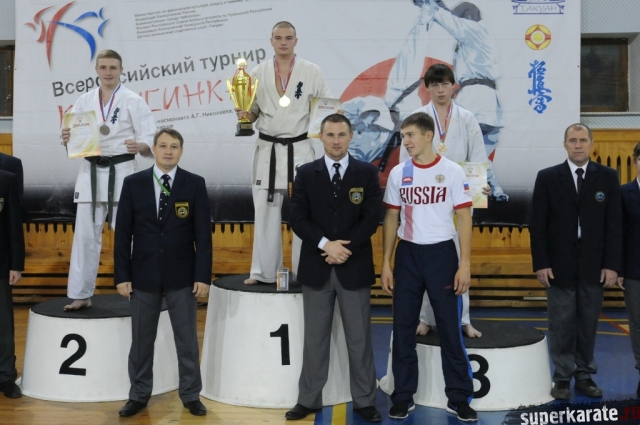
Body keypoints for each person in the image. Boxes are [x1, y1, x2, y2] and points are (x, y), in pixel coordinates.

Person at [286, 114, 382, 423]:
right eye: (330, 135)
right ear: (321, 137)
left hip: (354, 266)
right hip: (317, 267)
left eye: (342, 134)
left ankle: (365, 401)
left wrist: (344, 248)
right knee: (314, 339)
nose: (336, 140)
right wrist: (326, 244)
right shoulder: (305, 174)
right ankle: (308, 399)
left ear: (351, 136)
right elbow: (297, 217)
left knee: (360, 339)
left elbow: (372, 217)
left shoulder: (367, 173)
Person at [381, 112, 476, 421]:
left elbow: (464, 218)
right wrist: (385, 263)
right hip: (408, 255)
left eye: (410, 135)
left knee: (450, 329)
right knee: (403, 327)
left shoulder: (451, 171)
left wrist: (464, 264)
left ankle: (459, 397)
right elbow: (391, 217)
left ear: (427, 135)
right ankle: (403, 395)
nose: (405, 141)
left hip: (442, 255)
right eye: (403, 136)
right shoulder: (398, 173)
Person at [114, 128, 212, 417]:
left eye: (174, 146)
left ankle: (191, 395)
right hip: (142, 275)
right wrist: (122, 275)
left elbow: (203, 236)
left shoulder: (195, 184)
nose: (168, 151)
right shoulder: (133, 183)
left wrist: (202, 276)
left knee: (187, 341)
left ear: (181, 151)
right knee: (141, 342)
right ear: (154, 150)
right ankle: (138, 395)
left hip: (183, 276)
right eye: (163, 146)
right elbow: (123, 234)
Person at [235, 21, 331, 285]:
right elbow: (253, 113)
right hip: (268, 149)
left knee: (304, 213)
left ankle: (305, 271)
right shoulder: (258, 72)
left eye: (288, 38)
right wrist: (244, 114)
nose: (283, 42)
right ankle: (263, 272)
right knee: (265, 211)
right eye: (278, 38)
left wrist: (332, 119)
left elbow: (325, 106)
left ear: (296, 41)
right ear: (271, 41)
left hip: (299, 148)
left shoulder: (311, 71)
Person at [530, 123, 622, 400]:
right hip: (558, 264)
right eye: (573, 140)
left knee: (588, 322)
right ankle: (562, 377)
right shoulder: (548, 177)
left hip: (595, 264)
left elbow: (614, 224)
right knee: (561, 323)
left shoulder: (608, 177)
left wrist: (612, 264)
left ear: (592, 143)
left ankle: (584, 375)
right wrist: (541, 263)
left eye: (583, 140)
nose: (578, 145)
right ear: (565, 144)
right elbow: (538, 224)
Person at [61, 49, 156, 311]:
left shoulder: (133, 100)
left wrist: (140, 146)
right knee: (85, 237)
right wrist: (67, 138)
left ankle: (140, 290)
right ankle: (81, 293)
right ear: (96, 70)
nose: (108, 72)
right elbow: (73, 133)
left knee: (129, 235)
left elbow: (150, 137)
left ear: (121, 70)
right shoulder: (84, 101)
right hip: (90, 173)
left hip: (122, 172)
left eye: (113, 67)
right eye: (103, 67)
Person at [407, 64, 486, 339]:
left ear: (454, 86)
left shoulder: (467, 118)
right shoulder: (418, 119)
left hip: (459, 196)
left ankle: (463, 319)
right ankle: (425, 318)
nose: (440, 89)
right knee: (426, 260)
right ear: (427, 88)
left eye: (445, 84)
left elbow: (478, 157)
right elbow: (409, 158)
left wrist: (480, 186)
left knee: (460, 259)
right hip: (427, 198)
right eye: (435, 84)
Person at [0, 169, 24, 399]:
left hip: (0, 263)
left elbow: (14, 224)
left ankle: (6, 375)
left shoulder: (6, 179)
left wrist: (16, 264)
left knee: (4, 324)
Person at [619, 142, 640, 397]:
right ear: (635, 161)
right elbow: (618, 233)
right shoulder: (624, 193)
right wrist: (619, 268)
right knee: (637, 324)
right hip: (635, 269)